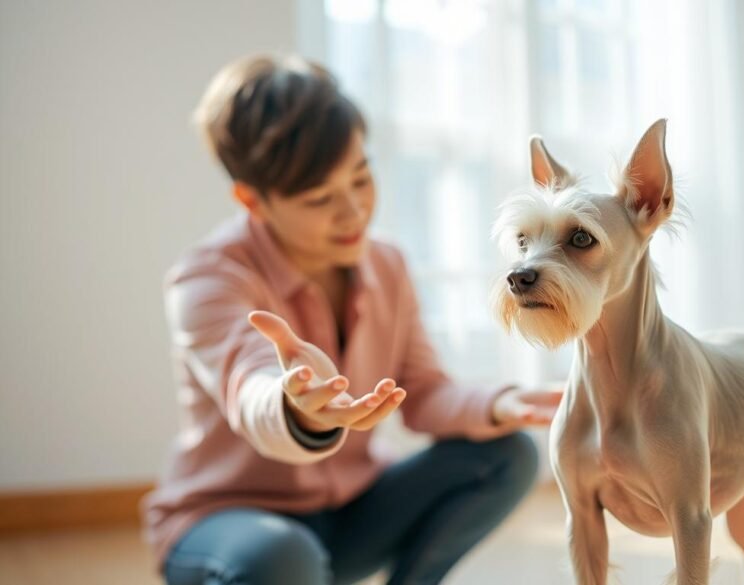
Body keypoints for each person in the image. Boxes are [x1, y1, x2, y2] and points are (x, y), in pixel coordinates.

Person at [141, 54, 562, 585]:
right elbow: (248, 389)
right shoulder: (206, 278)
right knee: (282, 558)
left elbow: (424, 393)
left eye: (361, 179)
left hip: (348, 516)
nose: (353, 212)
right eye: (319, 198)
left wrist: (501, 403)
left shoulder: (385, 262)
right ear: (253, 201)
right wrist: (299, 406)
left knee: (507, 454)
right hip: (228, 527)